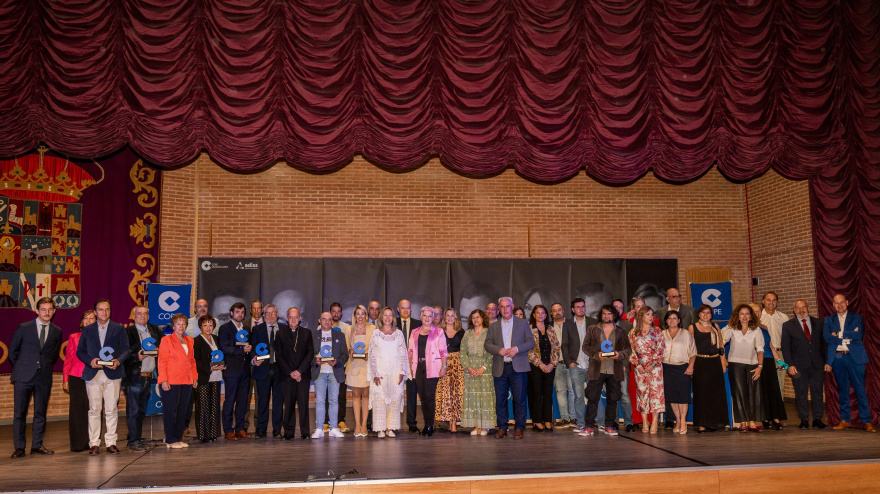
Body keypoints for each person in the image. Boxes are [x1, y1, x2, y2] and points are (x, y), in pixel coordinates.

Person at [10, 296, 63, 459]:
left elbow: (53, 355)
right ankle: (19, 447)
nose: (46, 312)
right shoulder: (24, 328)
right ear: (36, 311)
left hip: (43, 377)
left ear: (54, 311)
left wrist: (43, 367)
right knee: (20, 413)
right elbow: (13, 352)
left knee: (40, 412)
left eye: (49, 310)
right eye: (43, 309)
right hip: (23, 376)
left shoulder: (57, 331)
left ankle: (37, 445)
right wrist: (22, 368)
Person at [77, 298, 130, 455]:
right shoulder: (87, 330)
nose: (104, 312)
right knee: (94, 409)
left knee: (111, 409)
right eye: (101, 309)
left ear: (110, 311)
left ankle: (111, 442)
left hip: (112, 373)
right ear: (95, 312)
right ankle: (94, 443)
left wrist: (118, 361)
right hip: (93, 374)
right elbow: (80, 351)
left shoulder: (119, 328)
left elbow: (126, 350)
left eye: (107, 309)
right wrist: (90, 361)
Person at [485, 297, 535, 439]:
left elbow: (531, 342)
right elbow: (487, 344)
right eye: (502, 307)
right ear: (499, 309)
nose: (505, 309)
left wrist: (517, 349)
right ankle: (502, 427)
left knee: (519, 399)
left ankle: (519, 428)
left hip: (518, 367)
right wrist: (498, 350)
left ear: (512, 307)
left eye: (508, 306)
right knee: (500, 399)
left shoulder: (522, 322)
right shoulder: (493, 326)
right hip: (500, 367)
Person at [823, 294, 873, 432]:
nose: (840, 305)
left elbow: (859, 334)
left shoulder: (857, 317)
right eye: (837, 303)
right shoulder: (829, 319)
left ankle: (867, 421)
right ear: (833, 305)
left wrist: (837, 334)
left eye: (842, 303)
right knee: (842, 390)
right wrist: (848, 334)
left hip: (855, 358)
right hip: (838, 358)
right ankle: (845, 420)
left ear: (847, 303)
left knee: (860, 389)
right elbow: (827, 338)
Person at [582, 305, 631, 436]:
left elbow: (628, 350)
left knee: (613, 399)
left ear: (614, 315)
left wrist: (619, 355)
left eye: (609, 314)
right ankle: (588, 426)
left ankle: (609, 426)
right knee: (592, 398)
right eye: (604, 314)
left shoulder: (621, 331)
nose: (606, 316)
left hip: (614, 370)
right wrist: (595, 355)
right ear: (600, 315)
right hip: (597, 368)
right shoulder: (593, 329)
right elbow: (585, 347)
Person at [781, 300, 826, 429]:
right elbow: (785, 347)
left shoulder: (819, 323)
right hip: (798, 366)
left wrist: (826, 362)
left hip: (817, 364)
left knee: (817, 392)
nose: (801, 310)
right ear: (794, 310)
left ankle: (817, 419)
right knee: (801, 393)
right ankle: (804, 419)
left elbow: (824, 344)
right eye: (798, 308)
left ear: (808, 308)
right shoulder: (788, 325)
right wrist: (790, 365)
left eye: (803, 307)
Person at [123, 305, 163, 451]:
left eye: (145, 313)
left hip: (148, 376)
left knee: (141, 410)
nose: (142, 316)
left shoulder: (153, 330)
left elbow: (163, 345)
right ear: (134, 316)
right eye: (139, 314)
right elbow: (123, 353)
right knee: (133, 410)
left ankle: (136, 437)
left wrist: (160, 350)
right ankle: (133, 441)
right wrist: (136, 357)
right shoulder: (128, 332)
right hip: (134, 376)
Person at [722, 304, 765, 432]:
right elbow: (721, 343)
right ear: (737, 315)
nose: (745, 316)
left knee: (753, 393)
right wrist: (723, 359)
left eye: (747, 314)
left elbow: (760, 350)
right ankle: (743, 423)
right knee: (739, 393)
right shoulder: (731, 328)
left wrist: (760, 366)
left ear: (751, 316)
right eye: (742, 314)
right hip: (735, 364)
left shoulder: (757, 330)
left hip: (752, 365)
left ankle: (752, 422)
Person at [158, 314, 198, 449]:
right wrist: (163, 380)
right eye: (178, 324)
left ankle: (178, 437)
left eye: (183, 324)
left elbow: (192, 361)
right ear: (173, 326)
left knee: (183, 411)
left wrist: (194, 377)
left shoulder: (190, 340)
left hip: (186, 380)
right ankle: (170, 439)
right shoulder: (166, 340)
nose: (181, 326)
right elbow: (162, 361)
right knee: (170, 411)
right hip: (171, 380)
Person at [368, 307, 409, 438]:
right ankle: (380, 429)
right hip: (380, 372)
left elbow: (403, 354)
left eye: (390, 315)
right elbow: (372, 354)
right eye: (385, 315)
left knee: (394, 400)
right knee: (379, 400)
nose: (388, 318)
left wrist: (402, 371)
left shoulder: (398, 334)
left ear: (393, 317)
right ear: (381, 317)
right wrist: (375, 373)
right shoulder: (375, 334)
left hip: (395, 371)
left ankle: (390, 428)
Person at [408, 306, 448, 436]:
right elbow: (410, 352)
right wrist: (410, 369)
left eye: (430, 316)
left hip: (433, 367)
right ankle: (427, 424)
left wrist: (444, 366)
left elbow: (443, 351)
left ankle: (429, 426)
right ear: (420, 317)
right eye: (424, 315)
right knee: (423, 397)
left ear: (433, 318)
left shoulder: (439, 332)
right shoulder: (414, 332)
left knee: (430, 397)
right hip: (418, 367)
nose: (427, 318)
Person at [275, 307, 314, 440]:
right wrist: (291, 372)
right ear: (286, 318)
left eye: (295, 317)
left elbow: (310, 354)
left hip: (302, 375)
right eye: (290, 317)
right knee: (289, 404)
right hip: (287, 375)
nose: (293, 319)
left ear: (299, 318)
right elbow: (279, 356)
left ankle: (305, 432)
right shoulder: (280, 333)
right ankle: (288, 432)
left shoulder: (307, 333)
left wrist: (299, 371)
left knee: (303, 404)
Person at [689, 304, 729, 432]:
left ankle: (716, 422)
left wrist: (723, 361)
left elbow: (721, 345)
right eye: (703, 312)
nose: (705, 315)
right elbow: (690, 348)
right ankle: (702, 423)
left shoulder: (715, 326)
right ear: (699, 314)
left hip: (715, 362)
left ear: (711, 315)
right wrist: (691, 365)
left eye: (708, 313)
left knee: (716, 393)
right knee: (702, 394)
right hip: (700, 362)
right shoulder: (692, 327)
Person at [561, 298, 598, 433]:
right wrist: (569, 361)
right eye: (578, 307)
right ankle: (581, 422)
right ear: (572, 309)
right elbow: (564, 345)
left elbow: (598, 343)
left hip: (592, 364)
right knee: (578, 396)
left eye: (583, 307)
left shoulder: (593, 322)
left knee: (594, 394)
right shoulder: (568, 325)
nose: (581, 309)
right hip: (576, 365)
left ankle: (599, 422)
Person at [597, 300, 635, 432]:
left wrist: (624, 364)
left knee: (624, 394)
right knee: (612, 395)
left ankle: (629, 422)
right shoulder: (600, 326)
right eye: (615, 308)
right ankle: (613, 421)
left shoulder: (628, 325)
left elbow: (629, 347)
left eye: (621, 308)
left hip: (621, 366)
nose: (618, 310)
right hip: (606, 366)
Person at [249, 304, 286, 438]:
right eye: (267, 313)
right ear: (263, 316)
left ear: (277, 314)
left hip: (279, 369)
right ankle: (261, 429)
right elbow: (252, 348)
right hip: (262, 368)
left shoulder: (283, 329)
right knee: (262, 400)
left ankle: (277, 429)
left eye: (272, 313)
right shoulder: (257, 329)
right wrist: (253, 359)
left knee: (278, 400)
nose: (270, 316)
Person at [217, 302, 252, 440]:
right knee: (230, 400)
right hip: (231, 370)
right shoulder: (225, 328)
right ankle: (228, 430)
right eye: (237, 312)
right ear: (231, 313)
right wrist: (241, 350)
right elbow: (224, 348)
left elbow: (250, 347)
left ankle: (240, 428)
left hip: (245, 370)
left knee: (243, 401)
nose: (240, 315)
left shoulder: (247, 329)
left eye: (242, 312)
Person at [311, 312, 349, 439]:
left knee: (334, 401)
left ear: (332, 321)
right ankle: (319, 428)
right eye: (324, 319)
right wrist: (315, 361)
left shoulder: (340, 335)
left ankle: (333, 428)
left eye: (329, 320)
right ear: (319, 320)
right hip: (320, 372)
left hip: (334, 372)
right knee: (320, 401)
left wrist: (337, 362)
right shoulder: (313, 336)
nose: (327, 322)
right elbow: (309, 354)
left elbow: (345, 354)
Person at [750, 302, 787, 431]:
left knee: (774, 389)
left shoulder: (764, 326)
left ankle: (775, 418)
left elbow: (770, 345)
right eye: (754, 311)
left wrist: (778, 360)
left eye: (759, 311)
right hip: (755, 361)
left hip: (770, 360)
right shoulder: (746, 328)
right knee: (761, 390)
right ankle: (764, 418)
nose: (757, 313)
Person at [629, 306, 665, 434]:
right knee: (642, 393)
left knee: (656, 394)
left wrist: (653, 364)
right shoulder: (633, 332)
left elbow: (661, 349)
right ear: (641, 317)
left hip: (655, 367)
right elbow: (631, 350)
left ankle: (654, 421)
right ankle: (645, 421)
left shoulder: (657, 331)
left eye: (651, 314)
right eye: (648, 315)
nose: (651, 317)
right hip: (640, 368)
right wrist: (638, 365)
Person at [63, 310, 95, 453]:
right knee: (77, 410)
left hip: (94, 376)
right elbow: (68, 359)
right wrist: (65, 379)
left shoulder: (101, 338)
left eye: (91, 318)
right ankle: (77, 444)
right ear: (81, 321)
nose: (88, 321)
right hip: (76, 376)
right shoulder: (74, 337)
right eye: (85, 318)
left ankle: (93, 441)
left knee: (93, 409)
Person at [661, 311, 696, 434]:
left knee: (682, 397)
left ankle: (683, 422)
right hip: (666, 368)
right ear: (666, 321)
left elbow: (693, 352)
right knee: (672, 397)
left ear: (679, 320)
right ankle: (677, 420)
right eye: (669, 318)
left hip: (682, 367)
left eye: (674, 318)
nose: (672, 320)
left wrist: (690, 367)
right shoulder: (661, 334)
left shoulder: (686, 334)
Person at [461, 309, 494, 435]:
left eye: (478, 317)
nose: (475, 319)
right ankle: (476, 426)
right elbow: (463, 353)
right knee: (472, 398)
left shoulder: (489, 333)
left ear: (483, 319)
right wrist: (468, 367)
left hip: (485, 370)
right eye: (473, 317)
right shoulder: (467, 334)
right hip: (470, 370)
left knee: (484, 398)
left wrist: (483, 368)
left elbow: (492, 352)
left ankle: (485, 426)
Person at [527, 305, 560, 432]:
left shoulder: (550, 329)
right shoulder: (529, 329)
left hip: (550, 367)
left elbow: (556, 348)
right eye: (537, 313)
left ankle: (547, 420)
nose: (540, 315)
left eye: (543, 313)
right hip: (535, 367)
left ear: (546, 315)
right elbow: (528, 350)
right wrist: (540, 364)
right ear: (534, 315)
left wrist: (552, 364)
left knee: (547, 394)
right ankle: (537, 421)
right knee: (536, 395)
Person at [192, 315, 224, 443]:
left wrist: (223, 364)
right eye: (205, 325)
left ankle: (213, 433)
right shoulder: (196, 341)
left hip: (217, 377)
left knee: (215, 406)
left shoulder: (216, 339)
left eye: (210, 325)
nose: (208, 327)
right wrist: (208, 368)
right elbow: (195, 361)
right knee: (203, 407)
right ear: (200, 326)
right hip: (204, 377)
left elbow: (221, 356)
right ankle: (204, 435)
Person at [346, 305, 375, 437]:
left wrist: (369, 354)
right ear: (354, 316)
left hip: (367, 366)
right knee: (356, 395)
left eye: (362, 313)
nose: (360, 316)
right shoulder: (348, 329)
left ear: (366, 315)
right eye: (357, 314)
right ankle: (357, 425)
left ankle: (364, 425)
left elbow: (375, 347)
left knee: (366, 395)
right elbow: (346, 346)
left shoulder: (372, 329)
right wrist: (350, 351)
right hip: (354, 366)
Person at [397, 299, 422, 433]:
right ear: (398, 309)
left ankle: (412, 423)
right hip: (396, 364)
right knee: (396, 394)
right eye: (403, 308)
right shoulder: (393, 323)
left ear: (411, 309)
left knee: (412, 394)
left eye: (408, 308)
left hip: (413, 364)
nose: (405, 311)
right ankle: (393, 423)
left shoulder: (418, 324)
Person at [327, 302, 351, 433]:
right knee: (326, 395)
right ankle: (326, 421)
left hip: (341, 366)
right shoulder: (322, 327)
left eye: (338, 311)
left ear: (341, 313)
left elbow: (348, 346)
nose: (336, 314)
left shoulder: (346, 328)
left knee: (341, 395)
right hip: (326, 367)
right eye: (333, 311)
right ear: (330, 312)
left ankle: (341, 421)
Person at [550, 303, 575, 428]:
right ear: (551, 313)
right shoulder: (548, 327)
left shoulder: (571, 324)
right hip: (557, 363)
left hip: (570, 362)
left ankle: (573, 417)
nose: (557, 312)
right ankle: (565, 418)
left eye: (559, 310)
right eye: (554, 311)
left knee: (572, 390)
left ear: (564, 311)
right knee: (560, 391)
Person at [760, 291, 790, 396]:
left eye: (774, 300)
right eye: (768, 300)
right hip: (764, 355)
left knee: (780, 382)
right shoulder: (758, 317)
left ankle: (779, 409)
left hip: (781, 356)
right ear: (763, 301)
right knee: (765, 382)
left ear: (776, 302)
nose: (771, 302)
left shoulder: (784, 318)